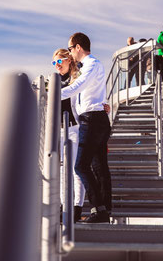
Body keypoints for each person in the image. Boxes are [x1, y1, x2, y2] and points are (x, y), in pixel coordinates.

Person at [62, 32, 112, 223]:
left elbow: (77, 88)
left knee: (81, 166)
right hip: (94, 118)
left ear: (78, 47)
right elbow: (90, 93)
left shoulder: (93, 64)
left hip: (92, 120)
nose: (69, 53)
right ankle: (104, 210)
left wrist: (51, 93)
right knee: (98, 166)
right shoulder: (87, 67)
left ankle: (100, 208)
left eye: (70, 49)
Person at [52, 49, 86, 223]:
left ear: (68, 60)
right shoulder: (54, 81)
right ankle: (62, 207)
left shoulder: (77, 77)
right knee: (61, 169)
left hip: (74, 128)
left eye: (60, 62)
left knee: (75, 170)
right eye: (54, 63)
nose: (57, 66)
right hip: (59, 130)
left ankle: (76, 208)